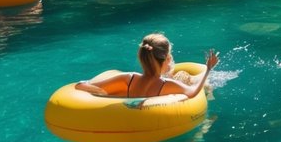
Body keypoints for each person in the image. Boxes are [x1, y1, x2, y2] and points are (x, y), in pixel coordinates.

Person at [75, 32, 219, 101]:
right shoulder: (167, 85)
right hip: (154, 130)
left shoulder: (128, 78)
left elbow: (81, 85)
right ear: (167, 58)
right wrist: (208, 69)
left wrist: (104, 93)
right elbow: (193, 92)